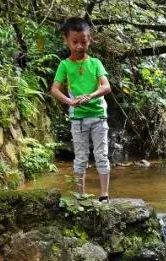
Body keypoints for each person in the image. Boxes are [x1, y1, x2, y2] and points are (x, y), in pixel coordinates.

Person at [50, 18, 112, 200]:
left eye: (83, 42)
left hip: (99, 117)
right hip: (78, 118)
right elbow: (54, 89)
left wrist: (90, 96)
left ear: (89, 40)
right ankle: (80, 196)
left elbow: (106, 86)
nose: (79, 46)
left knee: (101, 155)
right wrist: (70, 102)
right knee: (81, 158)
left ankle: (104, 195)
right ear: (66, 41)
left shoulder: (95, 63)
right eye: (75, 42)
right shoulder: (64, 65)